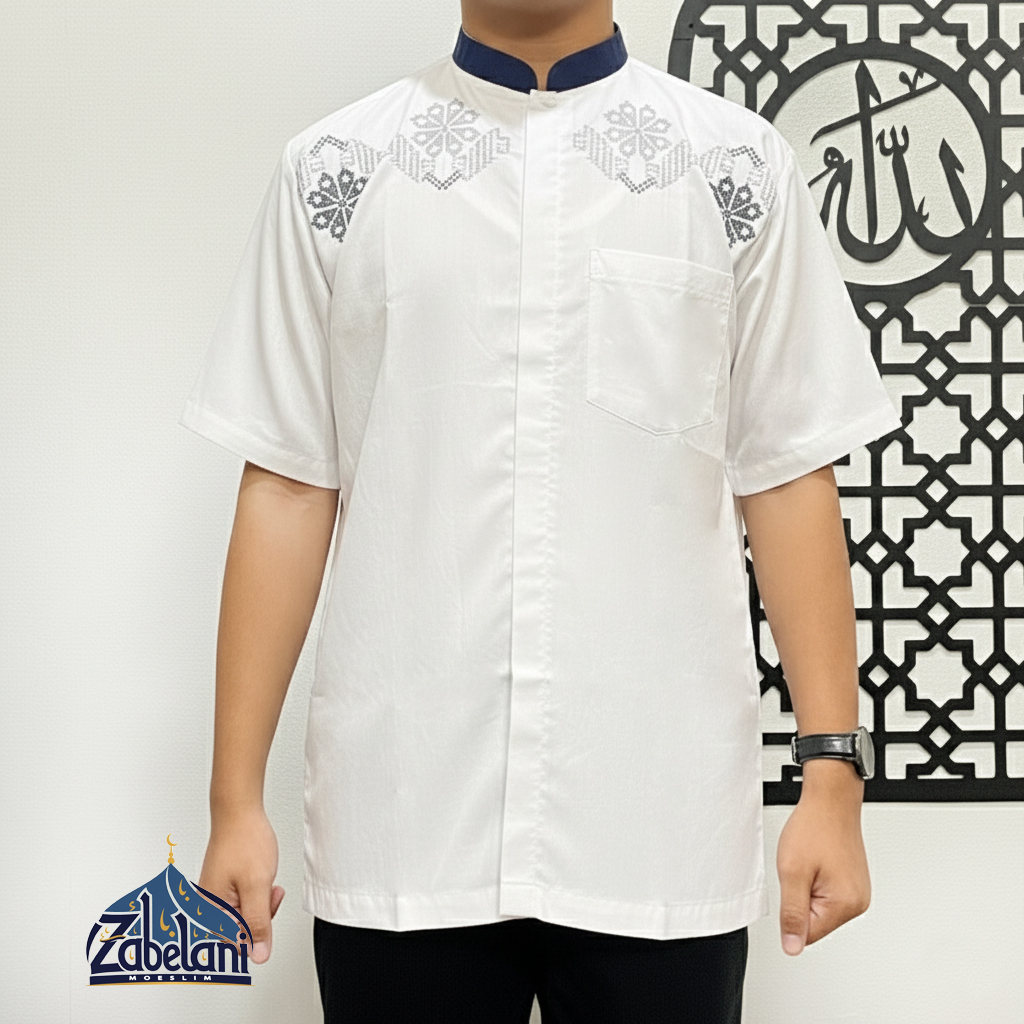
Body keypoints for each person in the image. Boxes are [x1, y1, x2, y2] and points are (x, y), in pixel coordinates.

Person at [179, 1, 902, 1020]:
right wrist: (234, 800)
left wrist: (832, 774)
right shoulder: (336, 172)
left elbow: (785, 477)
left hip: (654, 826)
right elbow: (292, 483)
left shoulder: (734, 170)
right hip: (406, 820)